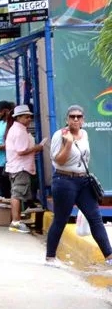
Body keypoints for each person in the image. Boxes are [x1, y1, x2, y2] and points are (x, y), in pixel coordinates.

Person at [46, 105, 112, 268]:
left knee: (96, 218)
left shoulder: (85, 134)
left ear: (83, 120)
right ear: (67, 119)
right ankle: (50, 257)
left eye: (79, 116)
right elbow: (58, 161)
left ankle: (109, 255)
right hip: (64, 180)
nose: (75, 119)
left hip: (83, 182)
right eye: (72, 116)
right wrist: (68, 144)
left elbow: (85, 157)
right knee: (61, 219)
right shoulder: (60, 136)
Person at [5, 105, 46, 234]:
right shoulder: (19, 131)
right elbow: (21, 151)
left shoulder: (17, 129)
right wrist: (37, 148)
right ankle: (16, 222)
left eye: (30, 117)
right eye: (26, 117)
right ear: (18, 117)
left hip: (17, 167)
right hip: (20, 167)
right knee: (17, 194)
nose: (29, 119)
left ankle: (16, 221)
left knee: (17, 194)